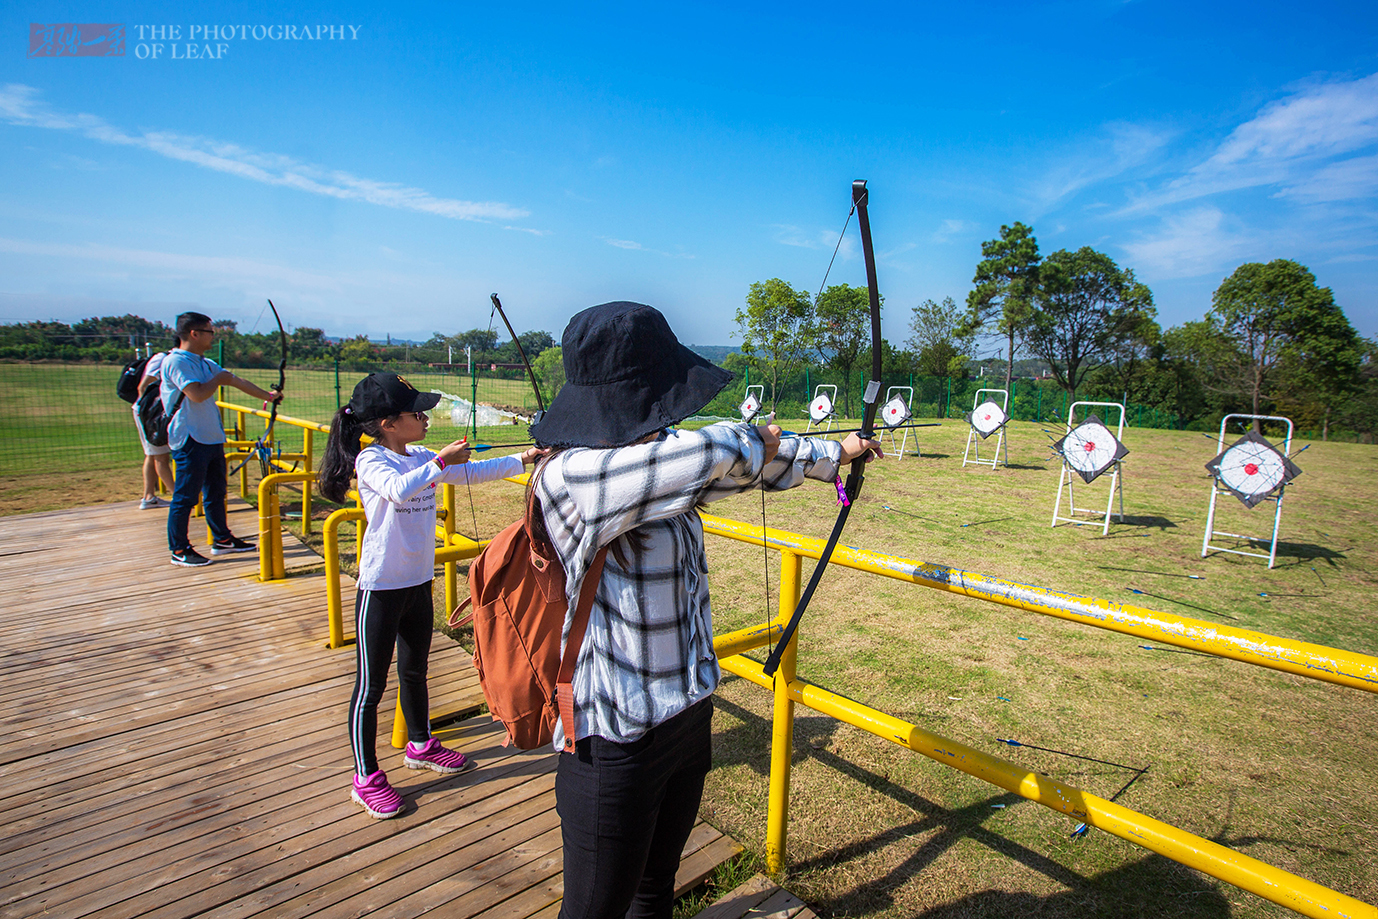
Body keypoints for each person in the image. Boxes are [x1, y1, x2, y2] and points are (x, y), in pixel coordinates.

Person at [525, 301, 881, 919]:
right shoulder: (572, 475)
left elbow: (746, 465)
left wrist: (837, 453)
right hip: (615, 738)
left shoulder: (658, 460)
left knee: (653, 891)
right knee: (593, 911)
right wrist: (751, 437)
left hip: (686, 716)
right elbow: (713, 453)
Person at [318, 371, 544, 820]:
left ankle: (420, 744)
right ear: (388, 423)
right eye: (416, 413)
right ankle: (366, 777)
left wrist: (526, 458)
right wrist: (440, 462)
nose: (425, 418)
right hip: (381, 588)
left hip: (418, 582)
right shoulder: (373, 461)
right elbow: (398, 490)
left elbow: (473, 471)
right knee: (371, 686)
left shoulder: (419, 456)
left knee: (415, 670)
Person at [161, 311, 283, 567]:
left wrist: (268, 396)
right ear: (194, 333)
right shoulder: (176, 362)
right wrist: (219, 379)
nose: (213, 337)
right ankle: (179, 549)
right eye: (209, 332)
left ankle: (222, 539)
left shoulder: (204, 363)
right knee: (185, 496)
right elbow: (196, 394)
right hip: (190, 438)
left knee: (216, 492)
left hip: (210, 437)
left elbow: (236, 381)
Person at [134, 345, 174, 509]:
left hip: (150, 412)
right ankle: (179, 498)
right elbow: (143, 386)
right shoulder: (162, 359)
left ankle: (149, 497)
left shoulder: (168, 358)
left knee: (152, 455)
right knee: (161, 456)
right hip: (150, 413)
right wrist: (151, 413)